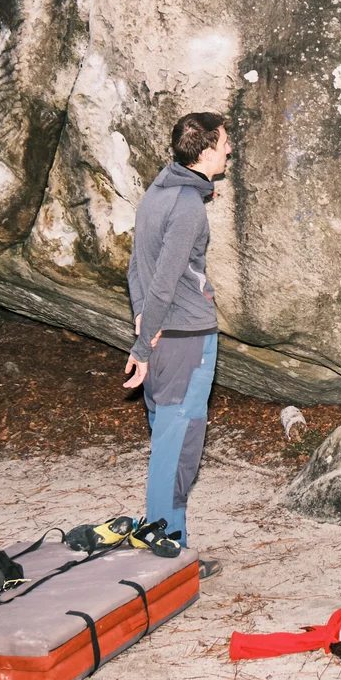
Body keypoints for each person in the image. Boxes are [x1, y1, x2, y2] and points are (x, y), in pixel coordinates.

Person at [123, 111, 230, 578]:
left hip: (165, 336)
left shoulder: (157, 192)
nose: (228, 149)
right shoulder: (187, 206)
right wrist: (144, 346)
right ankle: (167, 555)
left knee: (170, 441)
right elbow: (164, 282)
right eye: (223, 143)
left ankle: (171, 547)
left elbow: (136, 268)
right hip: (186, 340)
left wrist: (142, 323)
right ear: (204, 151)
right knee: (178, 447)